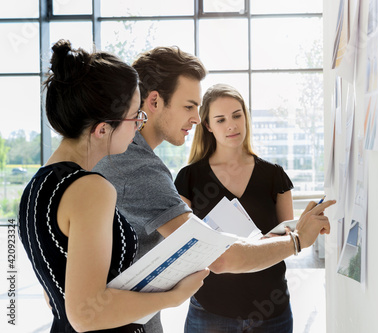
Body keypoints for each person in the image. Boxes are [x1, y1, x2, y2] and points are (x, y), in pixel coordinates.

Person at [93, 46, 334, 333]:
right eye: (189, 106)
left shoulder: (118, 156)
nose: (195, 118)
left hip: (135, 319)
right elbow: (218, 257)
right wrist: (298, 241)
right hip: (145, 320)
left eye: (236, 115)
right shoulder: (141, 167)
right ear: (155, 101)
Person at [17, 40, 208, 333]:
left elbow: (55, 293)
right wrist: (173, 297)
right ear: (102, 129)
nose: (139, 125)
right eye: (135, 116)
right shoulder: (92, 189)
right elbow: (85, 315)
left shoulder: (35, 187)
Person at [174, 83, 299, 332]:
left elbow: (289, 239)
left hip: (271, 310)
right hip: (211, 310)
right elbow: (182, 244)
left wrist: (272, 241)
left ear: (246, 117)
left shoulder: (274, 175)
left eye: (237, 115)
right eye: (220, 120)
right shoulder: (189, 178)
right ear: (208, 126)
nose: (231, 125)